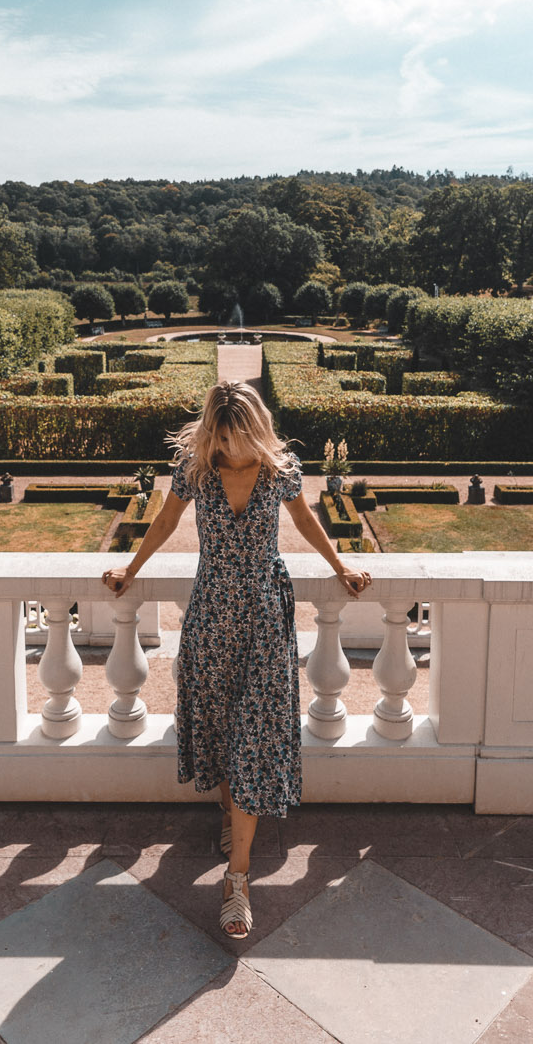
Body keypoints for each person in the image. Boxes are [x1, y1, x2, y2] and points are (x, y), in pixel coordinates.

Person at [102, 380, 371, 939]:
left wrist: (341, 565)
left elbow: (304, 522)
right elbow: (166, 521)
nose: (230, 447)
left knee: (252, 730)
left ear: (256, 428)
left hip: (267, 614)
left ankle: (238, 880)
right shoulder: (196, 471)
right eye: (221, 436)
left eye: (238, 436)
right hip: (212, 612)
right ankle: (232, 816)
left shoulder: (280, 470)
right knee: (224, 720)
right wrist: (130, 568)